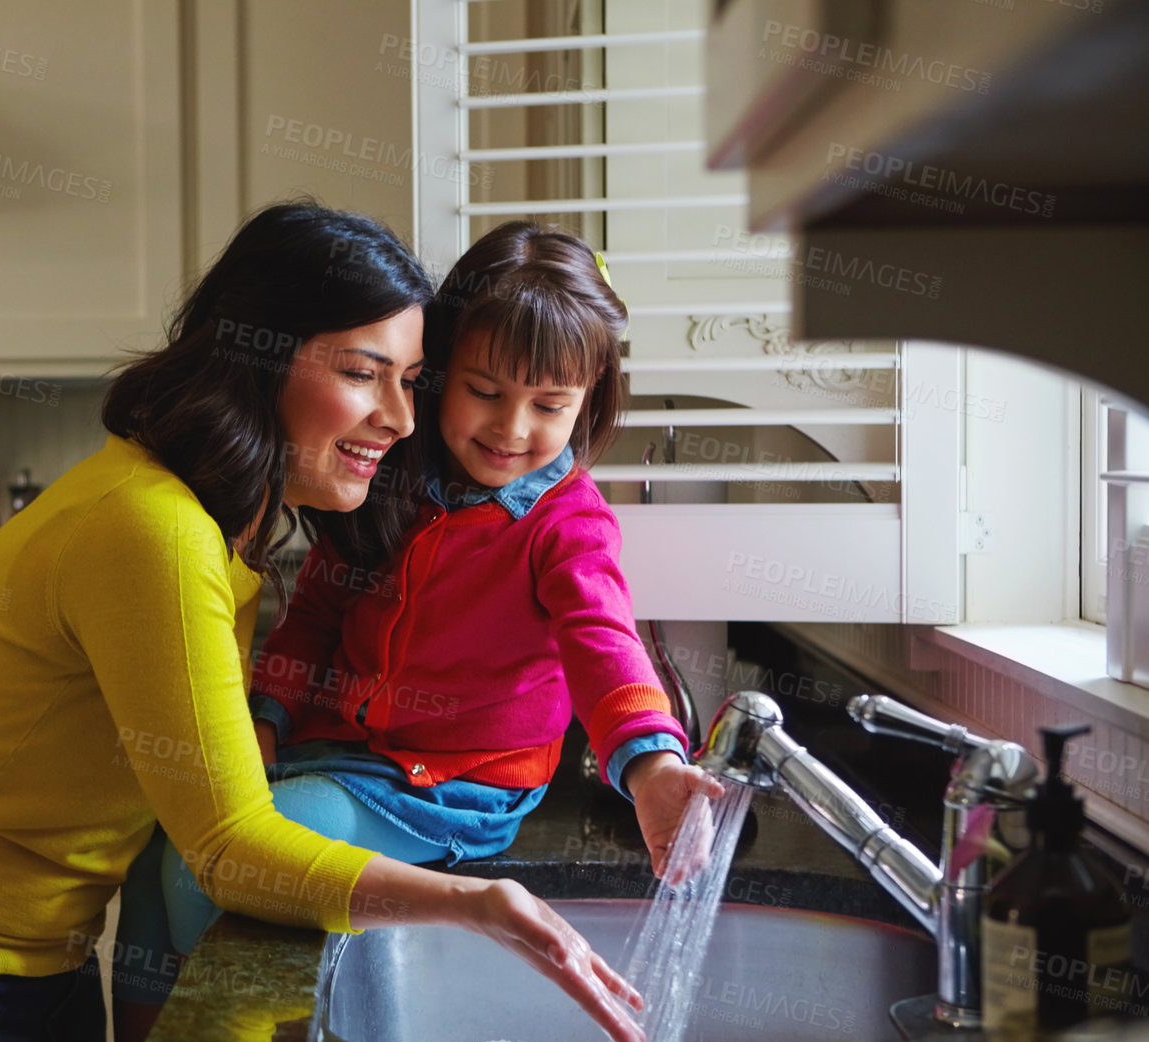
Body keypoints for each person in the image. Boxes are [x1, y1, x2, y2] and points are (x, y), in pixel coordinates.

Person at [0, 202, 647, 1042]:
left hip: (24, 968)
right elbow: (224, 850)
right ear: (259, 359)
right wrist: (476, 903)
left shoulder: (219, 518)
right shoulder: (159, 530)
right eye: (361, 373)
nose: (399, 418)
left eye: (412, 382)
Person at [140, 220, 728, 966]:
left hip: (449, 789)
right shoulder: (386, 480)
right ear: (440, 373)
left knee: (214, 866)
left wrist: (653, 769)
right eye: (484, 391)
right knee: (164, 846)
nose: (512, 428)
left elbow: (604, 643)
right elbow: (313, 618)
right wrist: (266, 723)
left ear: (590, 401)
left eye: (550, 406)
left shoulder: (567, 524)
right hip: (332, 753)